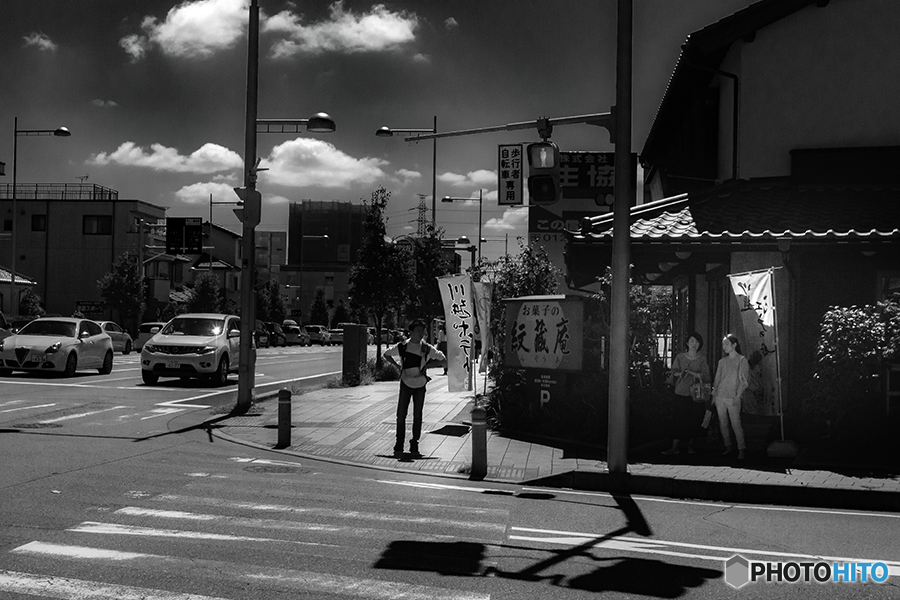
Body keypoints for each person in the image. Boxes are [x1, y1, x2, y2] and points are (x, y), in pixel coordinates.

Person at [384, 319, 447, 458]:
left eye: (422, 331)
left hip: (420, 385)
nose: (421, 334)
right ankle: (399, 443)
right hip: (405, 383)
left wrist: (428, 367)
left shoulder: (426, 348)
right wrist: (398, 366)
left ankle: (414, 443)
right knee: (401, 415)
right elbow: (386, 354)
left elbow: (444, 360)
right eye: (418, 331)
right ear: (410, 332)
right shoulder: (402, 347)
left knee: (417, 415)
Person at [662, 332, 711, 456]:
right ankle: (675, 447)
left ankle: (690, 446)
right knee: (678, 419)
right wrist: (681, 373)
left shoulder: (702, 358)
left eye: (697, 342)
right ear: (687, 343)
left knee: (693, 420)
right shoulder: (680, 357)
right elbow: (673, 372)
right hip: (681, 391)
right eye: (692, 341)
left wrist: (693, 373)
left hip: (695, 394)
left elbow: (706, 376)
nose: (694, 344)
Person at [712, 333, 750, 460]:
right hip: (720, 395)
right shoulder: (722, 361)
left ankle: (741, 448)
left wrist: (738, 395)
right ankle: (728, 446)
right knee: (723, 423)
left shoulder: (742, 360)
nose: (724, 347)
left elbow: (744, 381)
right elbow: (717, 379)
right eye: (723, 344)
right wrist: (714, 394)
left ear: (734, 345)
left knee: (735, 423)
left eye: (727, 344)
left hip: (733, 396)